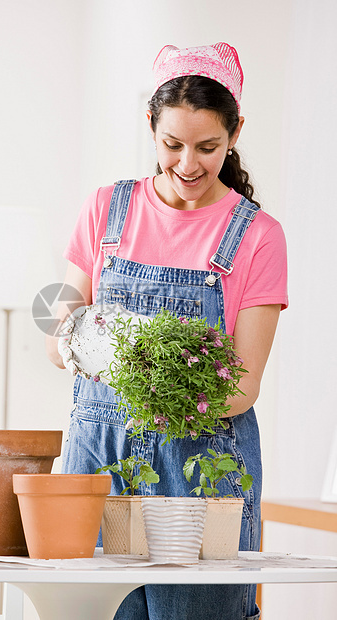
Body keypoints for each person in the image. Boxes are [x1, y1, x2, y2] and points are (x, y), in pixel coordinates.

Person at [46, 42, 288, 620]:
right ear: (150, 127)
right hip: (97, 470)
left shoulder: (258, 236)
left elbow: (242, 387)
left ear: (235, 133)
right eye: (171, 144)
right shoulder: (105, 208)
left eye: (207, 147)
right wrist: (63, 332)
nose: (187, 164)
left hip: (203, 479)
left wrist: (157, 392)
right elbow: (58, 310)